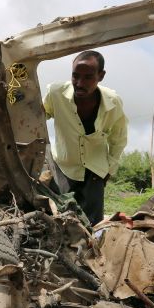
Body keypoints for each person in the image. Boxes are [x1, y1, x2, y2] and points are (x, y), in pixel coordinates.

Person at [44, 50, 128, 225]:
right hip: (64, 168)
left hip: (96, 171)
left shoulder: (113, 102)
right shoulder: (56, 93)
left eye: (88, 77)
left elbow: (118, 138)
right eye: (75, 76)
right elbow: (37, 117)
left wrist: (109, 169)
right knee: (61, 221)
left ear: (101, 76)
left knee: (92, 226)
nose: (80, 83)